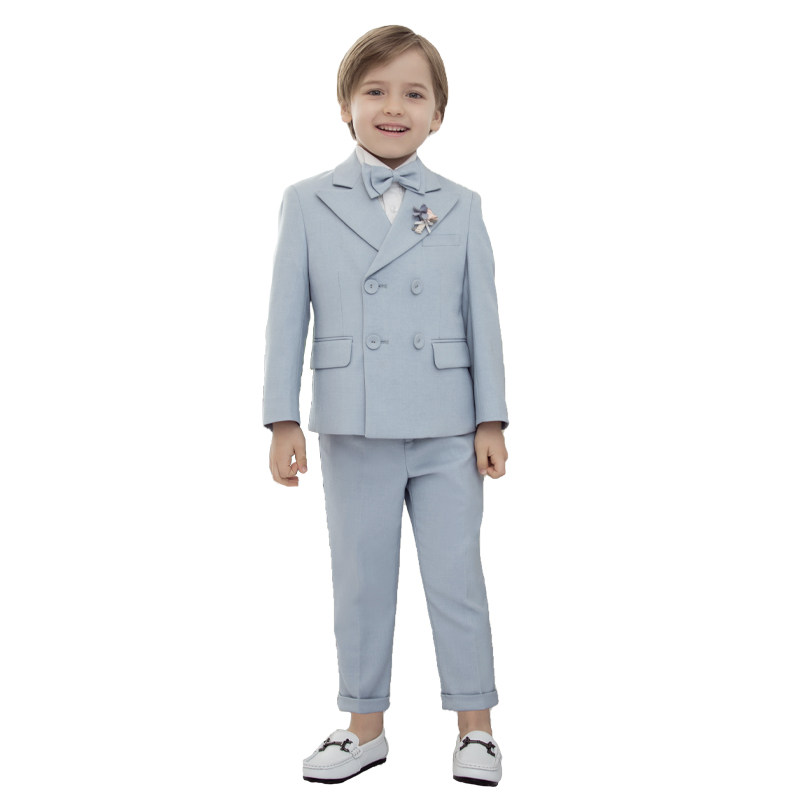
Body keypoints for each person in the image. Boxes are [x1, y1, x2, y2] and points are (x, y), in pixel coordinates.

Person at [261, 24, 509, 786]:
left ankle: (476, 727)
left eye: (413, 94)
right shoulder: (307, 201)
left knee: (456, 576)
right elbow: (286, 315)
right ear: (345, 105)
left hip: (447, 421)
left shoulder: (460, 205)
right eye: (375, 91)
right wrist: (281, 417)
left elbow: (482, 316)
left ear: (439, 114)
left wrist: (492, 417)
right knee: (361, 578)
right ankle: (363, 725)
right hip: (353, 419)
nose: (393, 107)